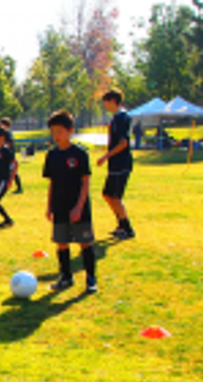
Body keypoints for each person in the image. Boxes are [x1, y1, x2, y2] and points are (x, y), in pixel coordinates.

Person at [44, 110, 97, 293]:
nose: (56, 135)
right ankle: (66, 276)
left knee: (85, 242)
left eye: (60, 131)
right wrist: (49, 206)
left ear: (70, 130)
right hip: (59, 205)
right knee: (61, 241)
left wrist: (79, 207)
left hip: (78, 207)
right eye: (53, 132)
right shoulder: (51, 155)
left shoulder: (80, 153)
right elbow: (52, 183)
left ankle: (91, 278)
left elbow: (86, 181)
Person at [97, 89, 135, 240]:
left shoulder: (121, 118)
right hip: (115, 164)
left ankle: (127, 228)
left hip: (121, 163)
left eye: (105, 102)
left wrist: (106, 156)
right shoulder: (116, 118)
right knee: (107, 194)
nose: (104, 105)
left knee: (116, 197)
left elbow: (123, 143)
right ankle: (121, 224)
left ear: (112, 101)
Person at [0, 118, 24, 193]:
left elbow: (10, 142)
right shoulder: (6, 132)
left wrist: (4, 147)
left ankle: (19, 187)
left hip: (9, 153)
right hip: (7, 153)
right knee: (9, 169)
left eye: (2, 124)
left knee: (12, 170)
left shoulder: (8, 132)